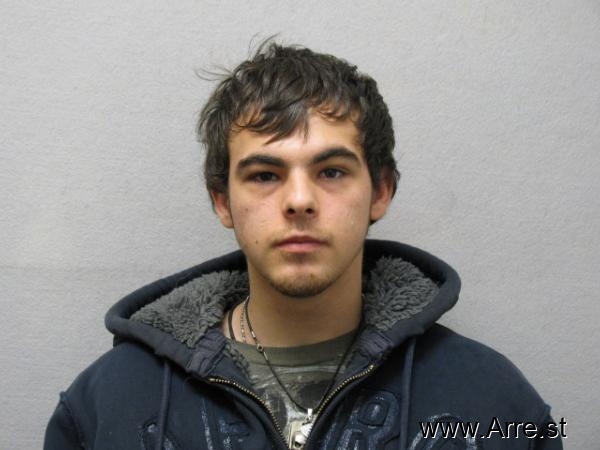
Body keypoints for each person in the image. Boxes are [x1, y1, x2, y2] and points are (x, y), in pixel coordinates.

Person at [44, 42, 563, 450]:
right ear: (223, 201)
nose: (299, 201)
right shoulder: (106, 405)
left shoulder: (494, 402)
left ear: (380, 191)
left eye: (331, 171)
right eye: (265, 175)